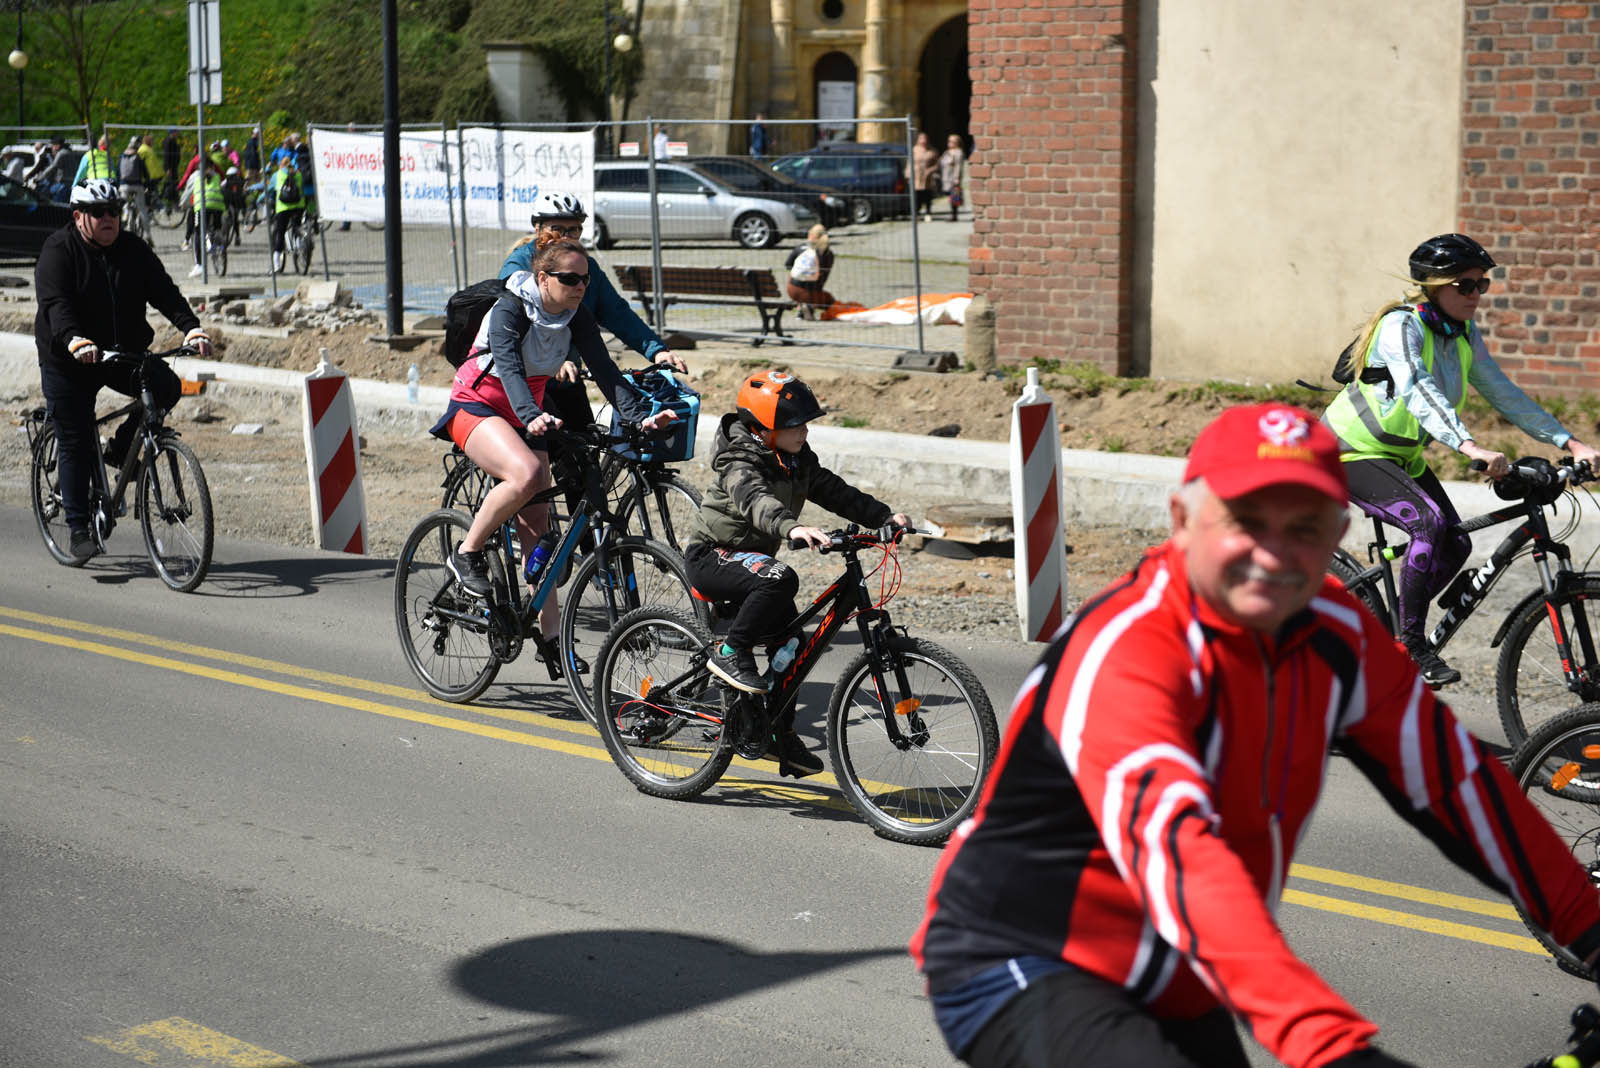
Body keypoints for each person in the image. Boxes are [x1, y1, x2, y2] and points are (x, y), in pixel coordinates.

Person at [910, 402, 1600, 1068]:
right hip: (1027, 958)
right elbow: (1182, 856)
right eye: (1245, 521)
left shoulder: (1341, 636)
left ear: (1338, 535)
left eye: (1304, 527)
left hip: (1182, 964)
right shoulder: (1130, 648)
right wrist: (1334, 1049)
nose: (1274, 554)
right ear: (1182, 520)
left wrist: (1588, 926)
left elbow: (1461, 788)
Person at [1322, 233, 1600, 686]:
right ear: (1434, 286)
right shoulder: (1401, 327)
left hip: (1401, 456)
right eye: (1465, 286)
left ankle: (1378, 632)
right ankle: (1409, 646)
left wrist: (1570, 443)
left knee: (1456, 544)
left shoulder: (1463, 333)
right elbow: (1417, 389)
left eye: (1482, 285)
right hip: (1350, 450)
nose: (1476, 295)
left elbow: (1503, 393)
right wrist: (1468, 446)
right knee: (1429, 526)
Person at [429, 239, 671, 662]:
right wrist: (529, 414)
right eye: (570, 279)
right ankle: (465, 553)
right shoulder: (511, 307)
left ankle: (553, 641)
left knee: (538, 537)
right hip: (477, 404)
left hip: (528, 412)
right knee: (525, 474)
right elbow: (506, 364)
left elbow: (606, 371)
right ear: (543, 278)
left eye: (586, 279)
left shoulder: (576, 316)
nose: (580, 286)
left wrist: (639, 417)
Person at [683, 369, 909, 775]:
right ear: (764, 429)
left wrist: (884, 516)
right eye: (793, 424)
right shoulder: (739, 459)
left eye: (805, 422)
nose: (804, 430)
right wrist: (793, 527)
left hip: (754, 566)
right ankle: (730, 653)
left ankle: (776, 732)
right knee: (781, 577)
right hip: (713, 557)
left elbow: (835, 491)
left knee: (792, 646)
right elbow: (754, 499)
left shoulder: (796, 460)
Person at [34, 179, 212, 562]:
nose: (109, 218)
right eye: (99, 213)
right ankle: (80, 527)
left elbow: (164, 291)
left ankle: (120, 450)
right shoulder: (58, 251)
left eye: (114, 210)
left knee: (165, 385)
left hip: (119, 352)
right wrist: (74, 340)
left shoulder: (132, 249)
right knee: (75, 438)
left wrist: (191, 326)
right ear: (79, 216)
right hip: (69, 358)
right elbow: (56, 304)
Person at [784, 224, 836, 318]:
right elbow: (822, 278)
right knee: (829, 299)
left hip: (791, 289)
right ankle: (810, 306)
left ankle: (802, 308)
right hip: (809, 292)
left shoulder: (800, 248)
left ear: (810, 235)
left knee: (794, 276)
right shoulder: (827, 254)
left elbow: (788, 265)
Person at [267, 155, 306, 274]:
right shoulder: (298, 174)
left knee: (280, 233)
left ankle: (276, 265)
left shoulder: (277, 175)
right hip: (298, 206)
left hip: (283, 207)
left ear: (281, 165)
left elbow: (269, 190)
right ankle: (300, 246)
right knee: (297, 227)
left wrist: (260, 199)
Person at [117, 136, 149, 234]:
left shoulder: (122, 156)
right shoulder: (138, 157)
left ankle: (125, 213)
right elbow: (146, 174)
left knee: (123, 204)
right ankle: (148, 234)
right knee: (142, 209)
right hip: (137, 185)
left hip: (124, 186)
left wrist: (119, 184)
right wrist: (147, 185)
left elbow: (118, 172)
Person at [911, 132, 940, 221]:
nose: (923, 141)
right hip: (916, 176)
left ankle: (928, 213)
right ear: (918, 140)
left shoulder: (932, 151)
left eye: (925, 139)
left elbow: (937, 164)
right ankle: (917, 213)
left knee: (927, 196)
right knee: (917, 196)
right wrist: (908, 175)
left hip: (928, 177)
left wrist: (931, 170)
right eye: (921, 139)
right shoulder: (914, 150)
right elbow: (910, 163)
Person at [938, 134, 965, 222]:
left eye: (952, 141)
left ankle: (954, 215)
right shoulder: (947, 152)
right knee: (951, 196)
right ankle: (953, 214)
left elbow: (958, 166)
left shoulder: (958, 152)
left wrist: (957, 178)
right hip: (946, 176)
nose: (950, 143)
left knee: (954, 196)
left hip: (953, 178)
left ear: (957, 143)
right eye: (949, 141)